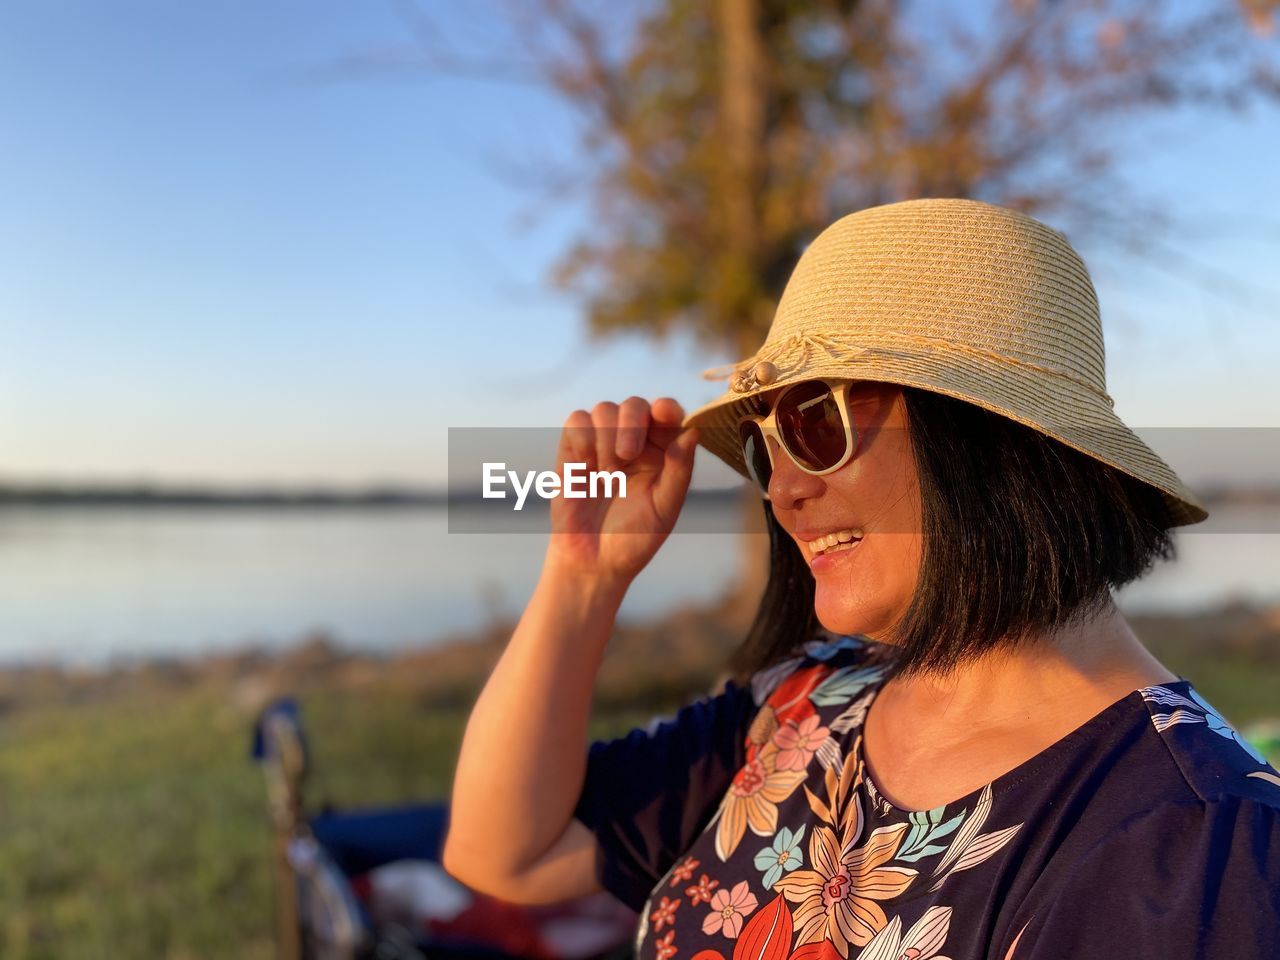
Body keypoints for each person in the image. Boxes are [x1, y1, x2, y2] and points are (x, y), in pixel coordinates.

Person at [442, 198, 1280, 959]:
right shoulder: (807, 705)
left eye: (817, 423)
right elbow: (501, 854)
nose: (780, 488)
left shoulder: (1191, 846)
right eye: (768, 441)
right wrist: (584, 578)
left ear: (995, 443)